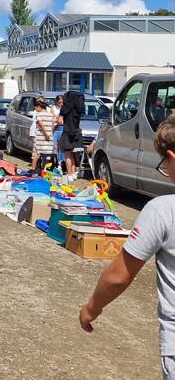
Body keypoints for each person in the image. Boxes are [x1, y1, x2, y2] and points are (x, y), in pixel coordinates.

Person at [80, 115, 175, 378]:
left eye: (163, 164)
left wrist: (91, 308)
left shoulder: (162, 211)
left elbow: (118, 276)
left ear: (172, 158)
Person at [60, 91, 86, 181]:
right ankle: (74, 172)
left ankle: (69, 173)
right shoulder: (78, 108)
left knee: (67, 154)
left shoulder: (66, 108)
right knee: (73, 153)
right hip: (76, 131)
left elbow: (62, 115)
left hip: (67, 132)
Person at [31, 97, 54, 171]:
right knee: (47, 154)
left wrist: (46, 134)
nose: (35, 109)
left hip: (41, 137)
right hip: (49, 136)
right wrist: (49, 134)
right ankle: (45, 170)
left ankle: (33, 169)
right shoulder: (50, 115)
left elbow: (41, 125)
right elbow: (53, 125)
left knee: (37, 154)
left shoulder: (39, 115)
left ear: (39, 107)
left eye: (36, 107)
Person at [51, 95, 64, 167]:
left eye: (62, 102)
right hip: (56, 128)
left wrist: (58, 119)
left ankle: (60, 162)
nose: (61, 104)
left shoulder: (65, 108)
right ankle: (53, 162)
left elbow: (61, 120)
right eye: (59, 102)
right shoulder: (53, 108)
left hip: (62, 127)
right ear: (56, 102)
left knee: (61, 147)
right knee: (54, 145)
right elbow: (53, 118)